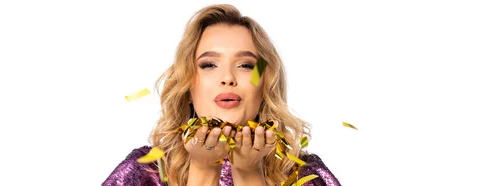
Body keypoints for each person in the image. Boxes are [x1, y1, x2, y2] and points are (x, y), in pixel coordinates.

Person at [102, 4, 341, 186]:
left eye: (246, 65)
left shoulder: (305, 174)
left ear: (265, 86)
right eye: (208, 65)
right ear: (187, 87)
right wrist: (203, 169)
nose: (228, 78)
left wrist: (249, 173)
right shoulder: (145, 172)